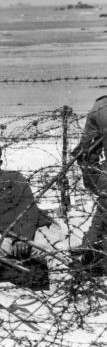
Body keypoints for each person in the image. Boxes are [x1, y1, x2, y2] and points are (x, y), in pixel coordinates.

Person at [0, 139, 60, 289]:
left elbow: (28, 210)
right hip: (1, 235)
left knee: (55, 252)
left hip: (31, 230)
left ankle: (65, 291)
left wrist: (22, 238)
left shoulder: (14, 179)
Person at [72, 94, 107, 276]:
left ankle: (88, 250)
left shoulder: (100, 106)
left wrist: (94, 180)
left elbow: (85, 151)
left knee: (102, 214)